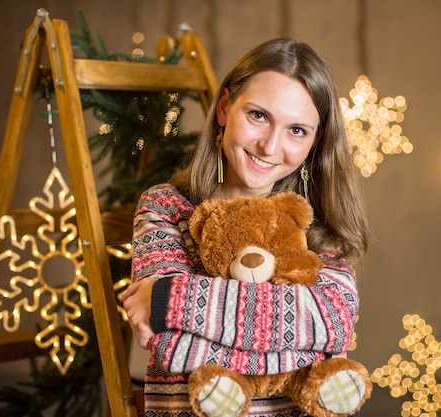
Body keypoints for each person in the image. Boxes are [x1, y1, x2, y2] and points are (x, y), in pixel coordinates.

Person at [122, 37, 371, 416]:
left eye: (297, 130)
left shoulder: (315, 224)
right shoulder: (166, 207)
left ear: (314, 142)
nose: (271, 147)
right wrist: (301, 344)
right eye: (258, 116)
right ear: (224, 107)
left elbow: (332, 320)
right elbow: (169, 346)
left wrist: (167, 300)